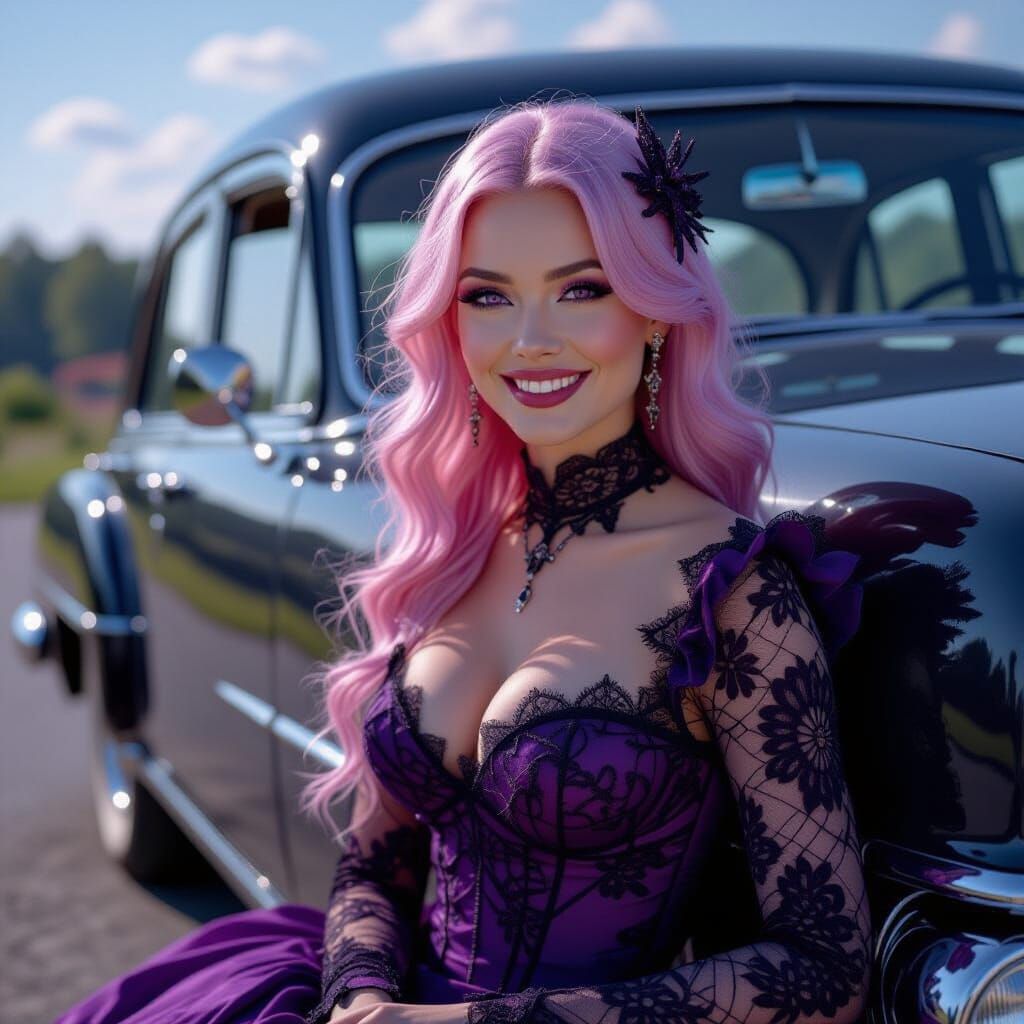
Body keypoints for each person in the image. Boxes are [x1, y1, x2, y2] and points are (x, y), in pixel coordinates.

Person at [54, 99, 871, 1024]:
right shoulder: (452, 548)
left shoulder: (728, 590)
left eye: (583, 288)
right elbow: (377, 860)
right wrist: (360, 994)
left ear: (655, 313)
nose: (529, 340)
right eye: (487, 296)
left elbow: (824, 970)